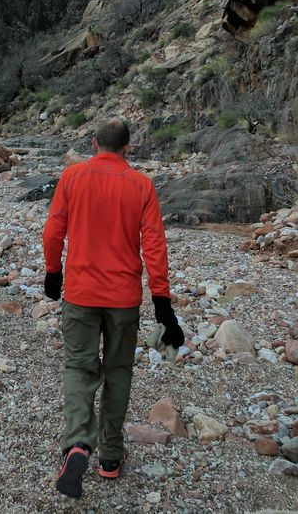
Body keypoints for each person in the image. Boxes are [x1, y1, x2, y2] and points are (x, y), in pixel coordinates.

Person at [43, 117, 184, 500]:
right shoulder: (141, 185)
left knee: (79, 367)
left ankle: (76, 446)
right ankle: (109, 457)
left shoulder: (72, 177)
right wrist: (162, 304)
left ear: (93, 143)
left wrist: (53, 272)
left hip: (80, 294)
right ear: (128, 148)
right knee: (118, 371)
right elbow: (154, 246)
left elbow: (54, 229)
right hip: (123, 300)